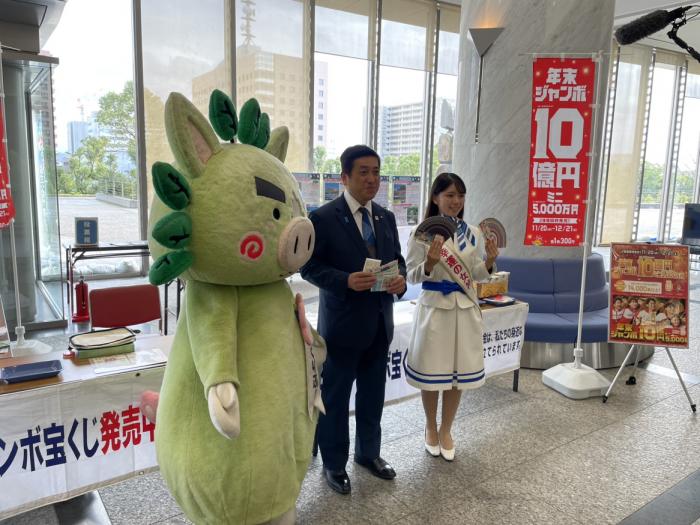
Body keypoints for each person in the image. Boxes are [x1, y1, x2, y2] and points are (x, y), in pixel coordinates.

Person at [301, 145, 407, 495]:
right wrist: (345, 280)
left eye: (376, 172)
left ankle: (368, 454)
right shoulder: (323, 218)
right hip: (342, 327)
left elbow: (398, 261)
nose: (372, 179)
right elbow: (309, 267)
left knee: (372, 396)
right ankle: (334, 464)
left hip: (379, 325)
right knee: (335, 397)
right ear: (344, 177)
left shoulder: (385, 218)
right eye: (364, 172)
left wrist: (401, 280)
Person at [404, 172, 498, 461]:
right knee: (433, 374)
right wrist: (429, 264)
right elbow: (410, 275)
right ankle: (430, 427)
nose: (456, 201)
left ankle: (446, 429)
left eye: (460, 195)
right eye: (449, 195)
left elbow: (476, 273)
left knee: (459, 376)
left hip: (465, 310)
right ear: (435, 198)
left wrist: (490, 262)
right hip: (435, 310)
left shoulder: (473, 233)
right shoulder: (422, 232)